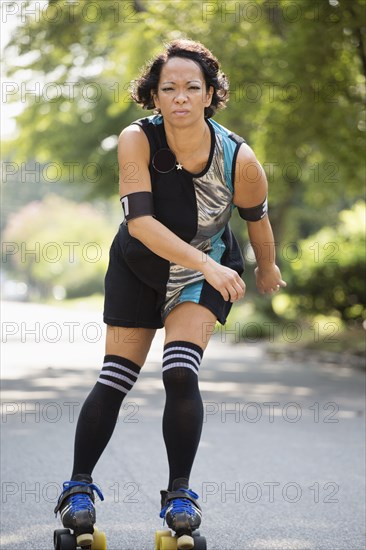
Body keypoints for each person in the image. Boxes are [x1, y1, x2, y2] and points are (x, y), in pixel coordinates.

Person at [54, 38, 286, 548]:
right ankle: (78, 488)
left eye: (191, 88)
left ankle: (180, 494)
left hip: (204, 276)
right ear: (154, 96)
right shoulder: (137, 139)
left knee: (180, 370)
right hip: (140, 266)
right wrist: (208, 261)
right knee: (116, 377)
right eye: (169, 89)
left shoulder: (238, 158)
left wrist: (266, 267)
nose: (180, 97)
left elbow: (257, 220)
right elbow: (140, 224)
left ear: (209, 95)